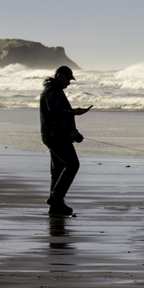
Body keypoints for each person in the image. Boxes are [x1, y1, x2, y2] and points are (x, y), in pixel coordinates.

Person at [40, 65, 92, 216]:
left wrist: (73, 133)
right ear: (59, 75)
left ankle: (56, 205)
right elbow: (55, 113)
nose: (68, 83)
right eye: (68, 79)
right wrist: (76, 112)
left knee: (58, 169)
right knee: (72, 164)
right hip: (55, 136)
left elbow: (58, 116)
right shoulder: (52, 90)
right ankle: (56, 197)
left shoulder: (54, 90)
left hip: (55, 135)